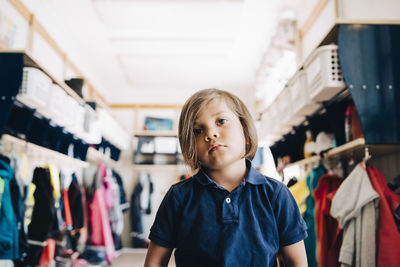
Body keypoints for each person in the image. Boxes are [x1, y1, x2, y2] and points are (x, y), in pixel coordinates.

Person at [144, 89, 308, 267]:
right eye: (198, 131)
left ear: (245, 132)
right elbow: (154, 263)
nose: (210, 134)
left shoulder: (277, 195)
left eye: (221, 121)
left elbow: (296, 262)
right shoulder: (178, 197)